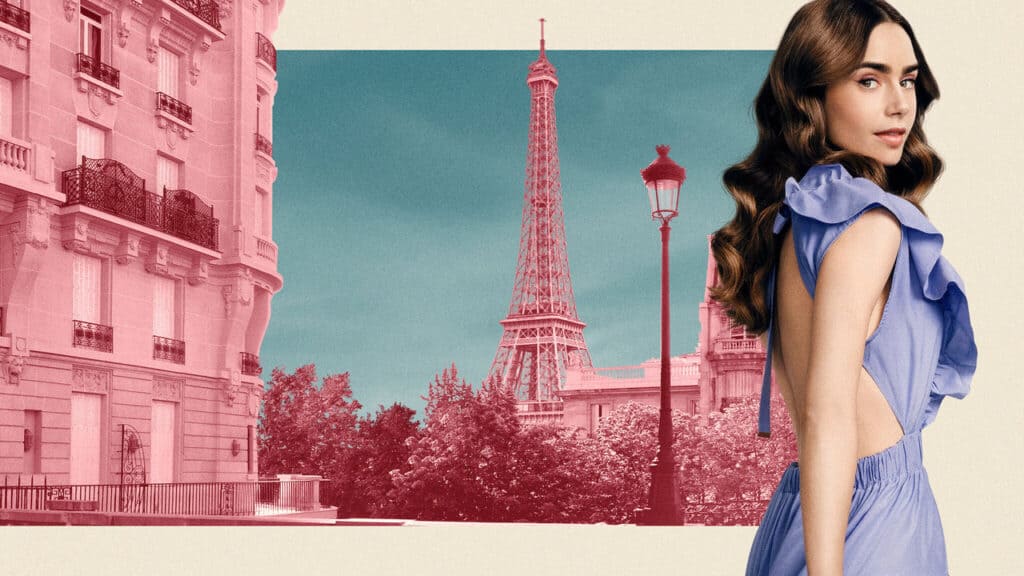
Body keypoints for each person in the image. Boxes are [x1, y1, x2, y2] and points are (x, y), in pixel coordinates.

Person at [709, 1, 977, 574]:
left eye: (907, 79)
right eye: (868, 79)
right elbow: (830, 414)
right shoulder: (871, 222)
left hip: (798, 514)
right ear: (813, 96)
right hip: (875, 521)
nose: (899, 102)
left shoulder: (795, 222)